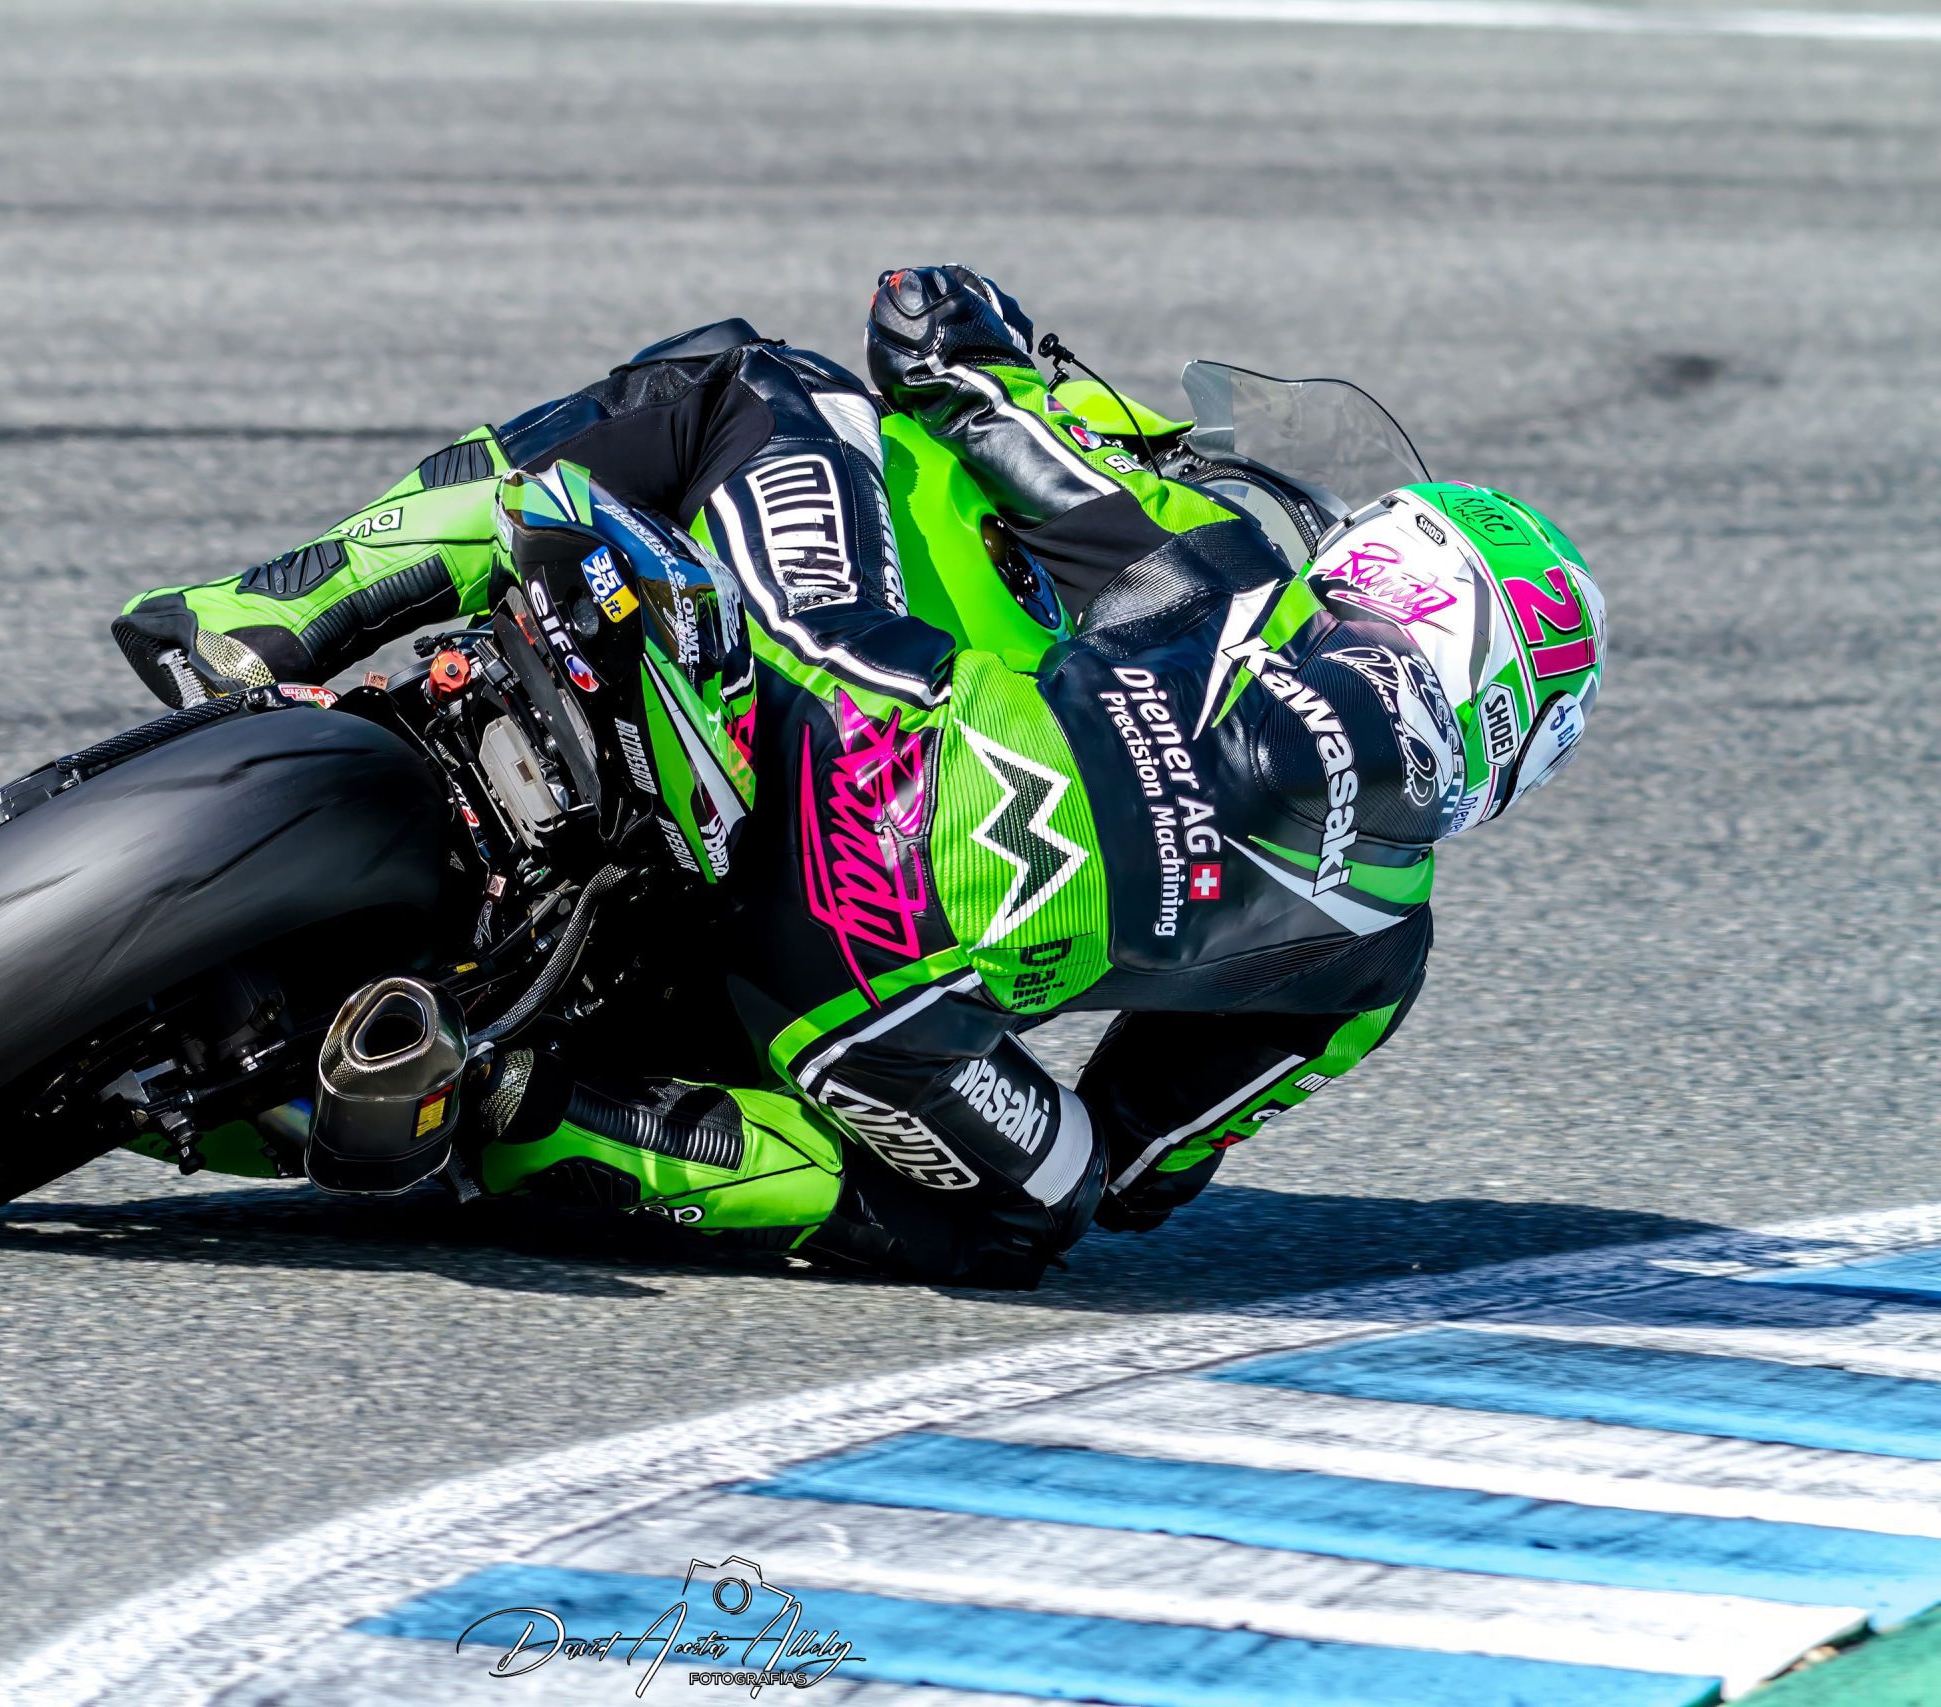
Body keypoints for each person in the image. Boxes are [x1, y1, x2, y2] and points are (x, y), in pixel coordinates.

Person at [112, 268, 1606, 1288]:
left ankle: (262, 617)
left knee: (747, 380)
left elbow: (964, 390)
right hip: (860, 1012)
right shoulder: (1374, 964)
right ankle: (521, 1105)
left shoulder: (1215, 572)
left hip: (816, 729)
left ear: (1360, 576)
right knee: (1031, 1212)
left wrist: (971, 331)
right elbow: (1149, 1159)